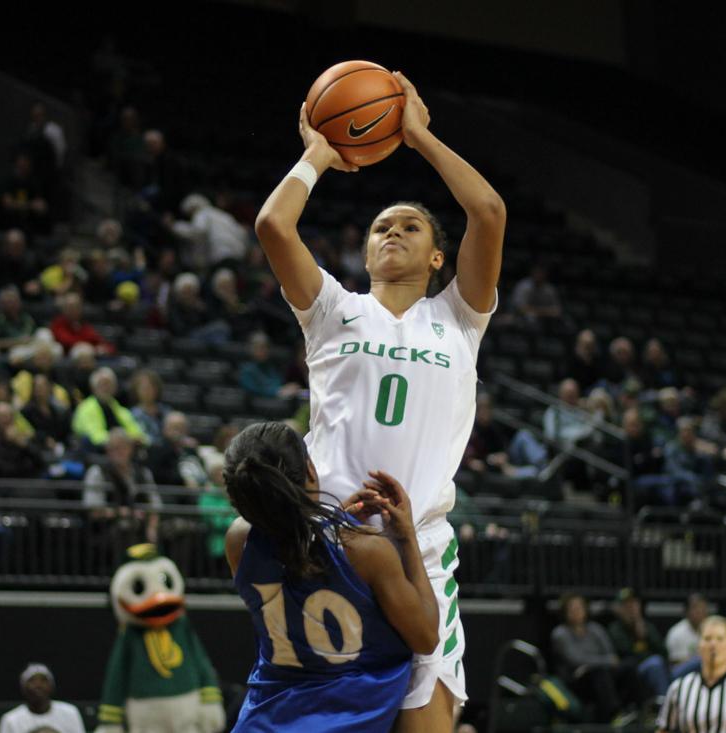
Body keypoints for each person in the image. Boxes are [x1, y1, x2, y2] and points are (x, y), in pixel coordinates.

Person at [254, 70, 505, 732]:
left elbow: (489, 212)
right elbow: (274, 224)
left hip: (417, 542)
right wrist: (320, 151)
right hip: (326, 541)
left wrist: (418, 136)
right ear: (364, 251)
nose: (393, 231)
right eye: (381, 226)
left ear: (437, 259)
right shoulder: (335, 309)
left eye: (411, 226)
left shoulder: (459, 318)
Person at [224, 421, 440, 732]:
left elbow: (295, 565)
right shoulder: (366, 550)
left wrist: (336, 521)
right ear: (310, 470)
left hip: (262, 721)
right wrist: (407, 541)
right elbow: (426, 637)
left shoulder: (238, 542)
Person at [551, 593, 644, 723]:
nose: (576, 612)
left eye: (579, 608)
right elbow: (575, 659)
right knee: (598, 672)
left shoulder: (595, 629)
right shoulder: (560, 633)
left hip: (600, 672)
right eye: (572, 609)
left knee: (629, 665)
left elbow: (611, 654)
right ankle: (615, 715)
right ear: (565, 612)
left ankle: (639, 710)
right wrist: (602, 662)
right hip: (577, 679)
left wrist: (594, 664)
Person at [605, 587, 670, 697]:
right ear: (619, 609)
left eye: (634, 604)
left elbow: (664, 653)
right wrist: (639, 636)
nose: (631, 609)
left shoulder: (648, 627)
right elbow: (625, 653)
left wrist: (647, 636)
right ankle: (663, 704)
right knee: (655, 662)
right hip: (633, 673)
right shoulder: (614, 629)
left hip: (659, 668)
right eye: (627, 606)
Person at [0, 663, 86, 733]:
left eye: (44, 680)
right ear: (23, 687)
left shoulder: (70, 712)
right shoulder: (10, 719)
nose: (38, 685)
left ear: (52, 686)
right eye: (32, 680)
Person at [169, 192, 248, 269]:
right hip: (238, 257)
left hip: (221, 257)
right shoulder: (223, 215)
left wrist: (174, 226)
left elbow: (199, 231)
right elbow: (242, 233)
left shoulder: (201, 213)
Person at [667, 593, 709, 678]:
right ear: (687, 611)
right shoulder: (677, 632)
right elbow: (676, 663)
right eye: (696, 608)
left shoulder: (710, 629)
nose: (700, 611)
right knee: (701, 660)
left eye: (703, 608)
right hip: (678, 673)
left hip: (702, 671)